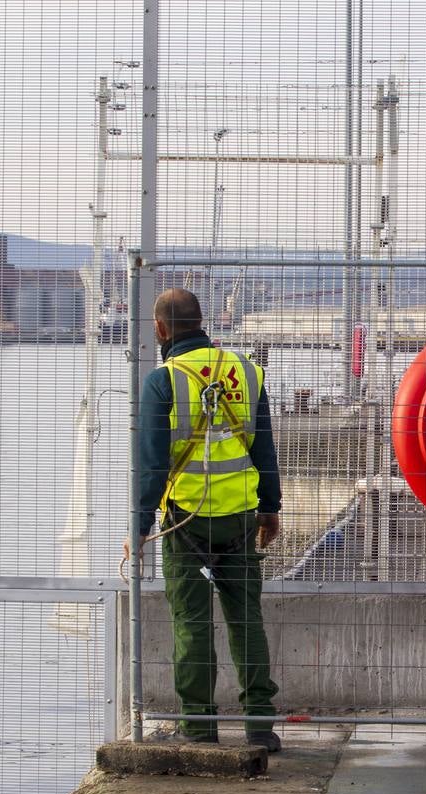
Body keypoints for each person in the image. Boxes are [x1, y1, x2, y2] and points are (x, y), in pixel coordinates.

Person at [124, 288, 283, 751]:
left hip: (186, 523)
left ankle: (198, 728)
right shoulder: (247, 372)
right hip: (240, 518)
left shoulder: (163, 381)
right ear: (202, 322)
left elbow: (151, 464)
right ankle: (259, 725)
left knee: (192, 624)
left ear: (160, 329)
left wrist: (139, 525)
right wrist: (270, 508)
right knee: (246, 619)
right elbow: (264, 450)